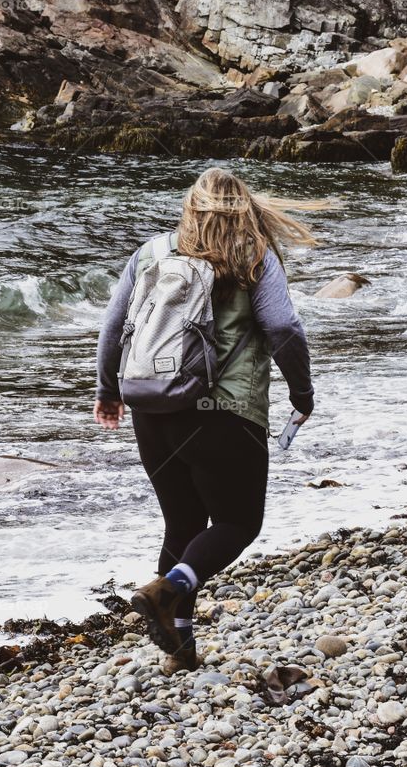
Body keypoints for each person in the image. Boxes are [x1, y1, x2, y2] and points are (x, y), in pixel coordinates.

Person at [94, 167, 317, 673]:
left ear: (189, 206)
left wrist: (109, 391)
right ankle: (168, 589)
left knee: (182, 522)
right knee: (239, 522)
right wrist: (301, 392)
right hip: (225, 411)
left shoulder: (152, 253)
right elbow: (283, 325)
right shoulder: (253, 256)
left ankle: (179, 650)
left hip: (153, 405)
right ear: (246, 207)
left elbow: (112, 327)